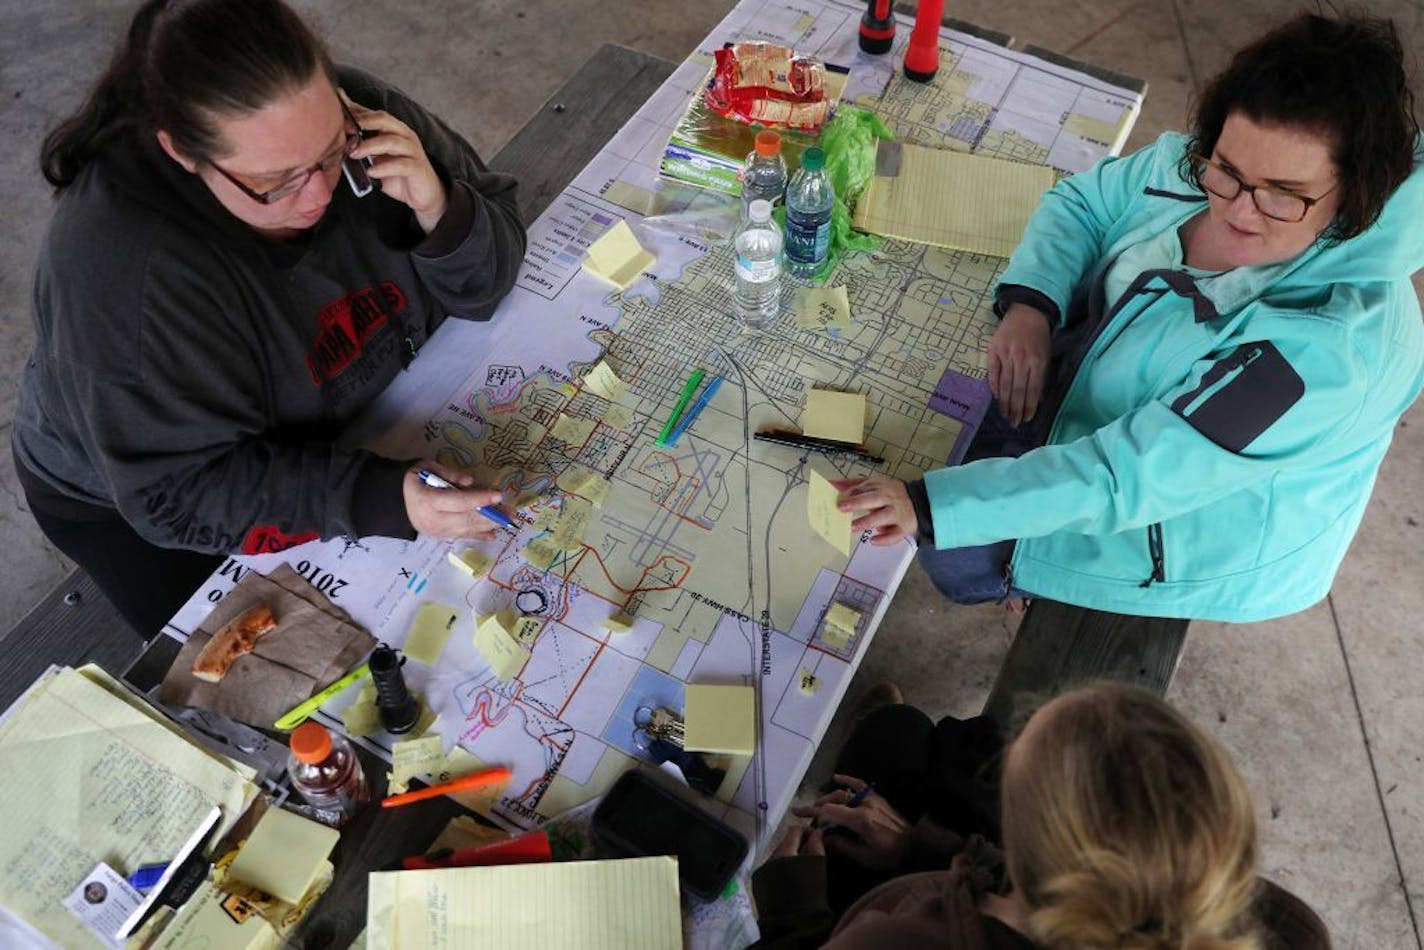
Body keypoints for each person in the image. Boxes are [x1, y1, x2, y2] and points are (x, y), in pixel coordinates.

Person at [838, 13, 1423, 622]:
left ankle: (1034, 585)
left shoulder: (1320, 353)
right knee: (936, 419)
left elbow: (1123, 477)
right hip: (1119, 403)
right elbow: (1083, 204)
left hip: (1185, 521)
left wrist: (929, 509)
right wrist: (1032, 306)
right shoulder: (1193, 167)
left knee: (956, 552)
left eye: (1282, 193)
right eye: (1226, 172)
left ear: (1356, 193)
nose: (1239, 212)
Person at [11, 0, 527, 634]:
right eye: (275, 182)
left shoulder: (363, 117)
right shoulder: (121, 272)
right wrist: (379, 497)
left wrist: (439, 206)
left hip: (339, 420)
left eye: (333, 150)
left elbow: (485, 285)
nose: (320, 194)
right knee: (245, 679)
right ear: (183, 152)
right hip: (144, 497)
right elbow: (178, 495)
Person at [750, 682, 1330, 949]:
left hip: (844, 918)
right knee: (897, 734)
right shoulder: (1279, 932)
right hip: (927, 880)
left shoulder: (895, 939)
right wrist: (918, 847)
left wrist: (791, 910)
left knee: (894, 742)